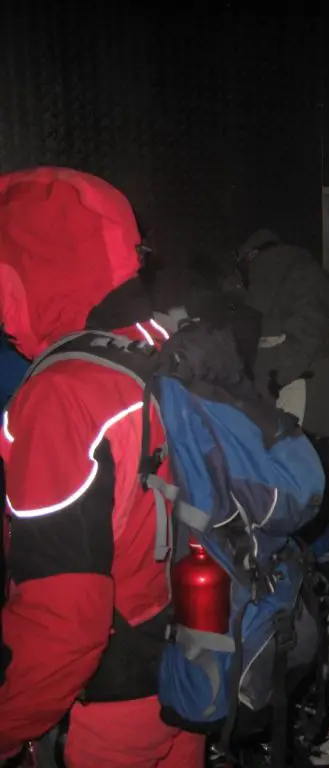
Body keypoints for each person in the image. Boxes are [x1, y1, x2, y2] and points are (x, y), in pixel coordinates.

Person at [0, 167, 205, 765]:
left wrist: (9, 727)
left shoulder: (63, 395)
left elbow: (63, 619)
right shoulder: (169, 342)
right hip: (194, 668)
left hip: (110, 701)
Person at [230, 228, 329, 438]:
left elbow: (308, 335)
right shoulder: (289, 277)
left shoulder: (297, 276)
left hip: (298, 399)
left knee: (298, 463)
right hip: (293, 400)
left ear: (252, 258)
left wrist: (271, 380)